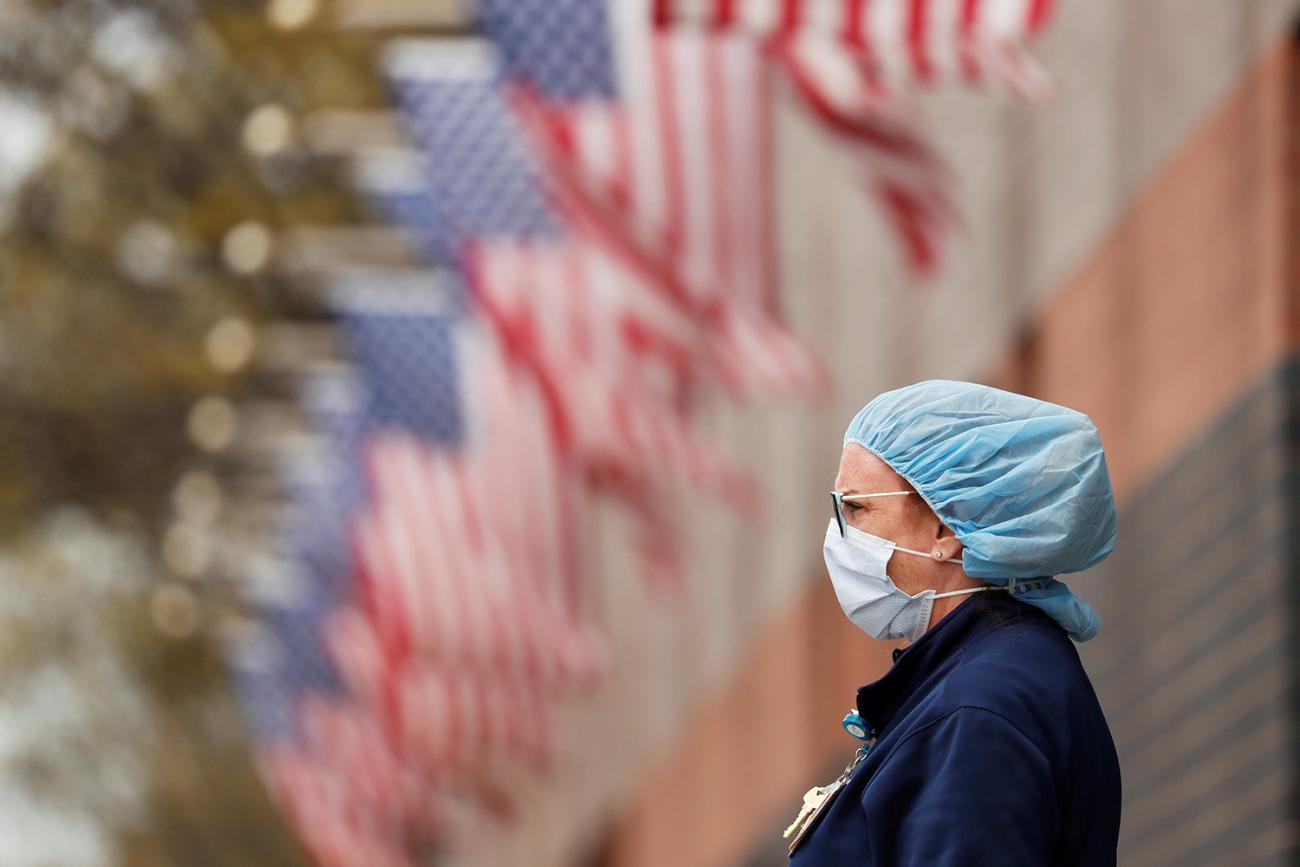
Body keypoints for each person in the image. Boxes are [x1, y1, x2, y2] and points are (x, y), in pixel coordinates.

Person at [786, 380, 1122, 865]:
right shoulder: (974, 684)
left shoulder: (978, 707)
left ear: (946, 527)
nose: (838, 536)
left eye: (857, 508)